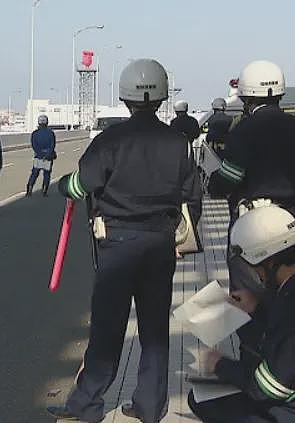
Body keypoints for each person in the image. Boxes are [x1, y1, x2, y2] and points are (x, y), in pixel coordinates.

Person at [47, 59, 202, 423]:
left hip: (117, 242)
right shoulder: (178, 144)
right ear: (162, 96)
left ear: (125, 96)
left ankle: (86, 405)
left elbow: (80, 185)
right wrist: (180, 236)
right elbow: (192, 197)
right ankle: (148, 407)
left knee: (108, 327)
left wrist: (62, 185)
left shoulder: (110, 140)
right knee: (154, 329)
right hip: (161, 242)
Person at [188, 204, 295, 423]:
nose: (254, 274)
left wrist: (218, 364)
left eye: (254, 267)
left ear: (269, 262)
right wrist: (257, 311)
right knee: (203, 397)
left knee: (205, 401)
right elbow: (285, 349)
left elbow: (268, 387)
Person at [207, 60, 295, 304]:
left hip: (251, 224)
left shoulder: (243, 131)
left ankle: (251, 342)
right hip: (291, 222)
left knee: (248, 294)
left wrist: (212, 185)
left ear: (246, 97)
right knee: (289, 294)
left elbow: (229, 178)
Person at [26, 114, 56, 197]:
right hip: (48, 157)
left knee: (34, 173)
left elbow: (34, 145)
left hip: (38, 156)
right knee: (46, 174)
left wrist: (39, 154)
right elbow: (52, 145)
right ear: (47, 122)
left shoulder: (35, 134)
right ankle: (44, 191)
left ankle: (29, 190)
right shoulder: (50, 133)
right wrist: (47, 154)